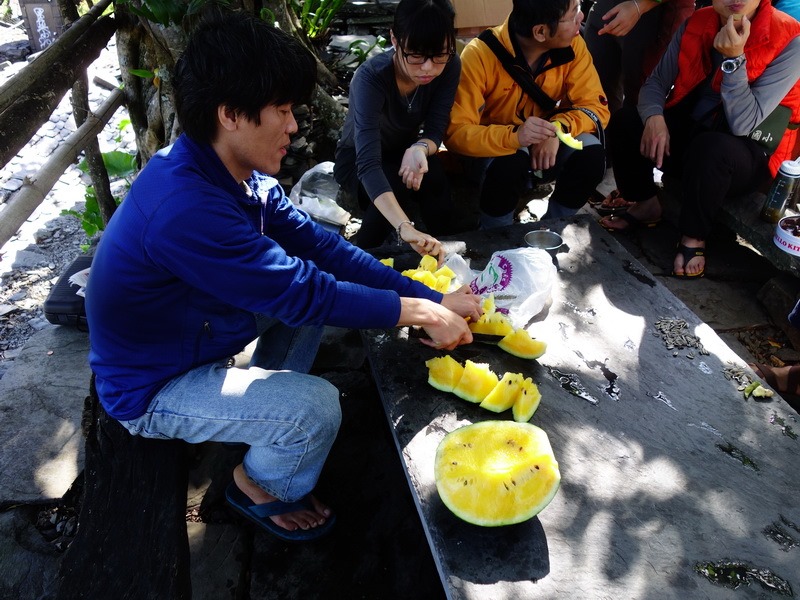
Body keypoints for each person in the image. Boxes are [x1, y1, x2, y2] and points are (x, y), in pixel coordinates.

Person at [85, 9, 481, 542]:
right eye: (282, 110)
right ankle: (257, 482)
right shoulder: (186, 209)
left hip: (195, 331)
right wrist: (422, 311)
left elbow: (323, 250)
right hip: (152, 385)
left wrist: (421, 293)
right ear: (230, 114)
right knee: (316, 409)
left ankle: (266, 410)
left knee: (316, 278)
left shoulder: (235, 172)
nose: (294, 126)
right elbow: (302, 294)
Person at [599, 0, 800, 278]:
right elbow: (656, 83)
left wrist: (734, 59)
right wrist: (654, 118)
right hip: (697, 132)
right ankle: (646, 202)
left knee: (711, 149)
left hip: (750, 155)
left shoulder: (791, 38)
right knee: (628, 120)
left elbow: (744, 123)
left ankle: (694, 236)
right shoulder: (698, 21)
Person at [443, 0, 610, 227]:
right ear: (540, 32)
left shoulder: (574, 45)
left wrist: (558, 128)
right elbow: (455, 133)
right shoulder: (479, 55)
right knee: (511, 162)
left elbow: (596, 108)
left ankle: (554, 228)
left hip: (545, 146)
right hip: (492, 156)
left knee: (590, 154)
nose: (581, 18)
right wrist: (514, 137)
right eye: (573, 15)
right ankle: (496, 238)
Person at [334, 0, 461, 258]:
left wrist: (420, 148)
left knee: (434, 175)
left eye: (439, 55)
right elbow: (368, 163)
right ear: (394, 39)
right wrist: (405, 227)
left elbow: (436, 127)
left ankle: (450, 253)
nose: (428, 68)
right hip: (357, 158)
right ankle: (362, 258)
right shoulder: (371, 78)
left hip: (404, 148)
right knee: (395, 185)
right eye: (415, 55)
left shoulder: (450, 65)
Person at [584, 0, 694, 213]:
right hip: (608, 6)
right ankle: (599, 163)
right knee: (596, 88)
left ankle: (635, 191)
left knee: (638, 98)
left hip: (656, 11)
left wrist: (639, 6)